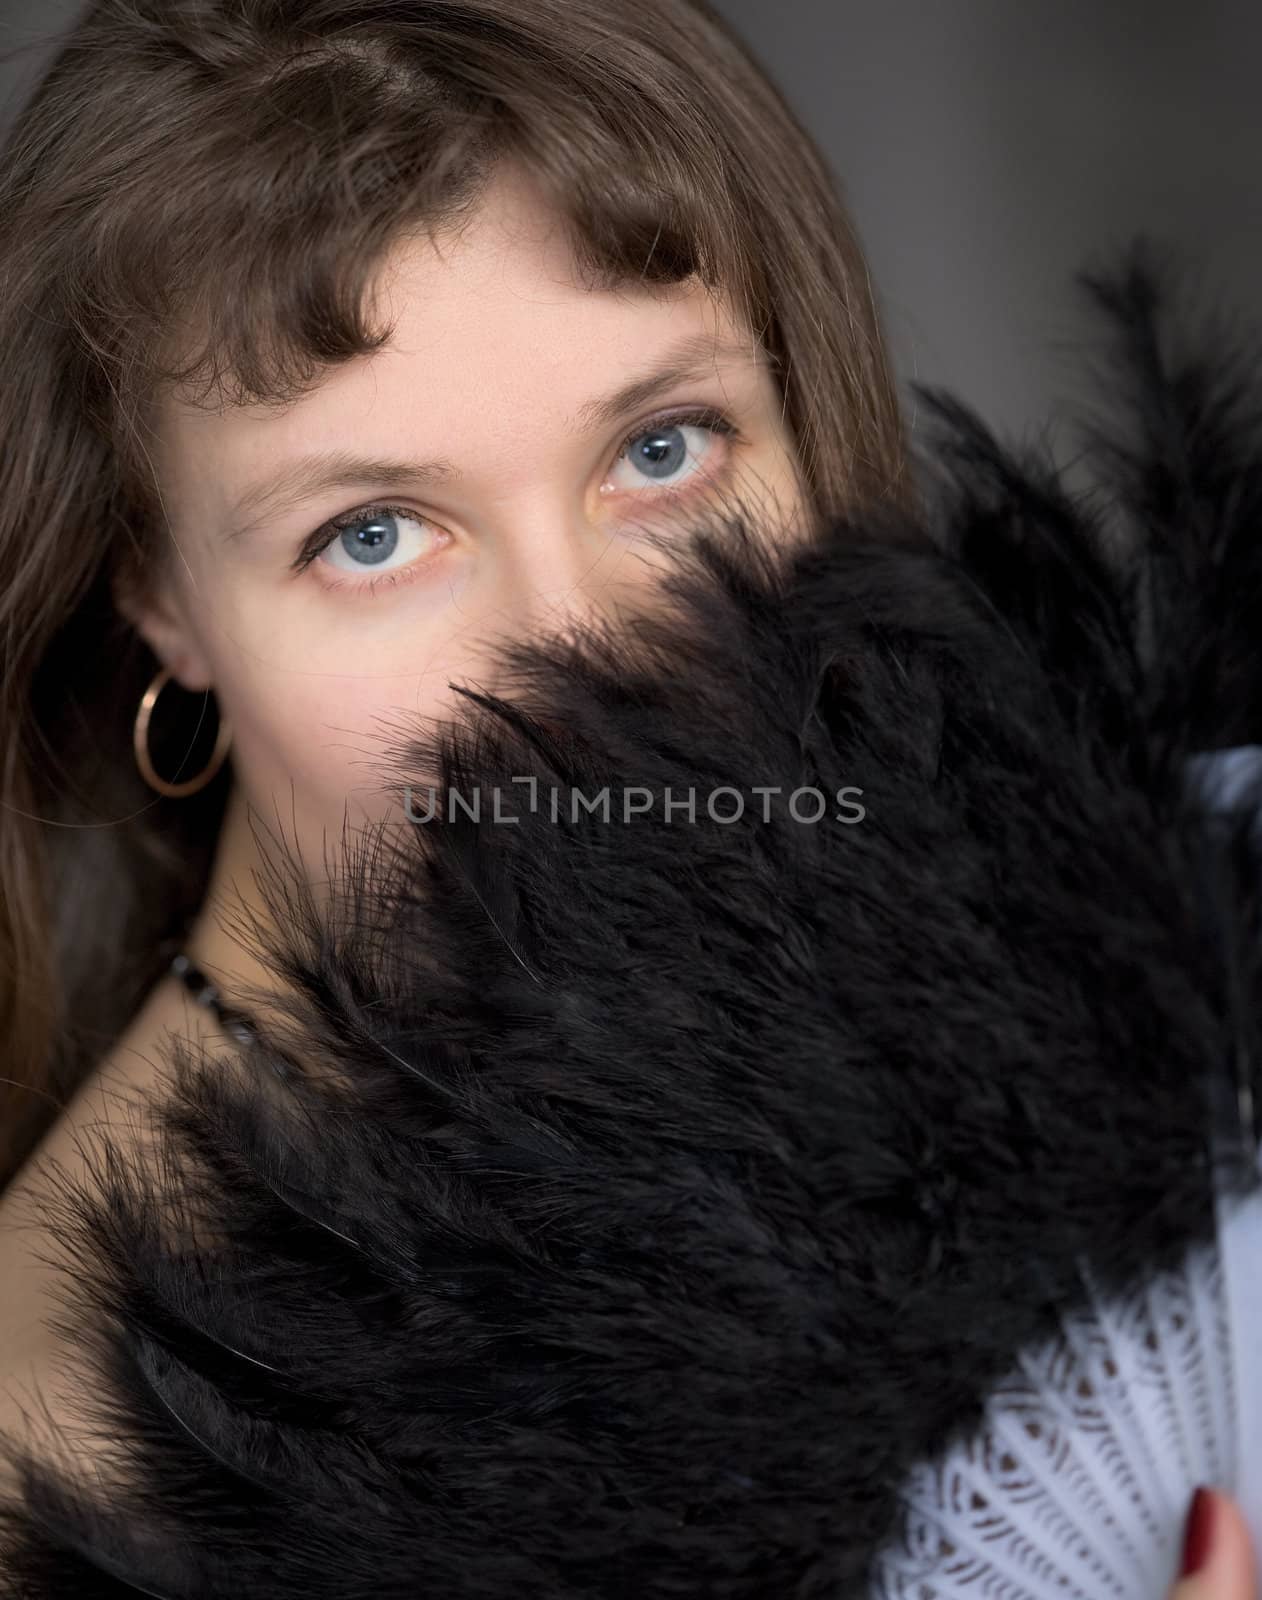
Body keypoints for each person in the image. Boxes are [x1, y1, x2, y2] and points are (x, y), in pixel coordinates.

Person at [0, 4, 1252, 1596]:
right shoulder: (70, 1473)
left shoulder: (1060, 990)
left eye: (663, 448)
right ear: (158, 596)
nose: (586, 651)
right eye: (374, 532)